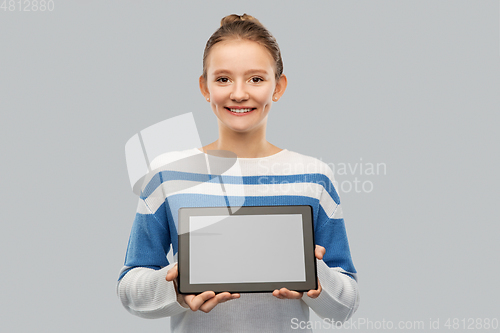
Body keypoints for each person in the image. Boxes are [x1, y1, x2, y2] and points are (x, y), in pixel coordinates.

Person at [117, 13, 359, 332]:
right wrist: (176, 287)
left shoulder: (313, 176)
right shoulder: (168, 174)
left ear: (279, 86)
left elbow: (346, 306)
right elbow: (129, 288)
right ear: (204, 87)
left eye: (256, 79)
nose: (239, 93)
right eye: (223, 79)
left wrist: (316, 275)